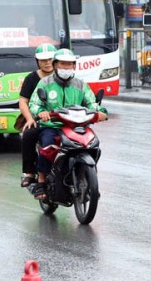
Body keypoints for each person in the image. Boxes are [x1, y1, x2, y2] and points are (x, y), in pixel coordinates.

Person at [29, 48, 107, 199]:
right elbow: (34, 104)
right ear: (55, 65)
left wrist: (101, 112)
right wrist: (40, 112)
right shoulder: (44, 83)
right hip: (52, 126)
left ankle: (90, 178)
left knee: (93, 144)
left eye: (69, 64)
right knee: (48, 145)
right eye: (63, 64)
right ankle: (41, 181)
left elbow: (92, 103)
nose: (66, 68)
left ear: (74, 66)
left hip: (77, 127)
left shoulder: (80, 85)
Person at [17, 43, 59, 188]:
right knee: (28, 134)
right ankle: (29, 173)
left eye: (50, 59)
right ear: (37, 61)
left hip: (62, 119)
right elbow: (23, 101)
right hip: (39, 119)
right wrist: (30, 118)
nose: (47, 63)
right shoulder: (31, 78)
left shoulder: (64, 77)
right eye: (43, 60)